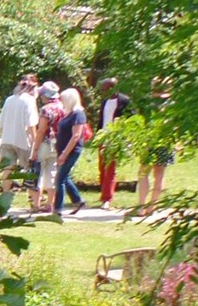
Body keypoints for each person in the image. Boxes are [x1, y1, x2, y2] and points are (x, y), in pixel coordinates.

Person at [95, 77, 136, 207]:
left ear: (112, 88)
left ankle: (107, 198)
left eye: (103, 89)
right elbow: (102, 120)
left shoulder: (124, 101)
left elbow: (132, 119)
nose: (101, 92)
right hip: (103, 136)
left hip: (115, 138)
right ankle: (104, 193)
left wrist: (126, 137)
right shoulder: (104, 101)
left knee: (110, 168)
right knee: (102, 167)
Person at [137, 79, 175, 215]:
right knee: (159, 175)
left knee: (143, 173)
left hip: (149, 140)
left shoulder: (147, 103)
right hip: (165, 141)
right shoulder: (172, 104)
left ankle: (141, 206)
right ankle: (152, 207)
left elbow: (140, 122)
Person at [0, 76, 38, 196]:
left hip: (7, 139)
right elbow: (31, 125)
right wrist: (35, 143)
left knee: (7, 169)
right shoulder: (29, 101)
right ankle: (32, 199)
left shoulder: (9, 100)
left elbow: (1, 123)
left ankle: (5, 194)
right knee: (30, 170)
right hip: (23, 141)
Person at [52, 86, 88, 216]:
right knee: (64, 177)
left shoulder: (78, 114)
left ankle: (57, 209)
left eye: (63, 99)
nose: (62, 102)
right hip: (63, 149)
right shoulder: (69, 114)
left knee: (59, 179)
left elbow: (76, 136)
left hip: (71, 151)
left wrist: (64, 153)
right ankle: (78, 200)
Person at [33, 81, 64, 213]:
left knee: (38, 173)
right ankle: (50, 203)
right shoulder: (63, 107)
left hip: (45, 144)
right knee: (52, 173)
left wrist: (35, 149)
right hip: (58, 144)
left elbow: (41, 130)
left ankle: (36, 204)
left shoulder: (46, 109)